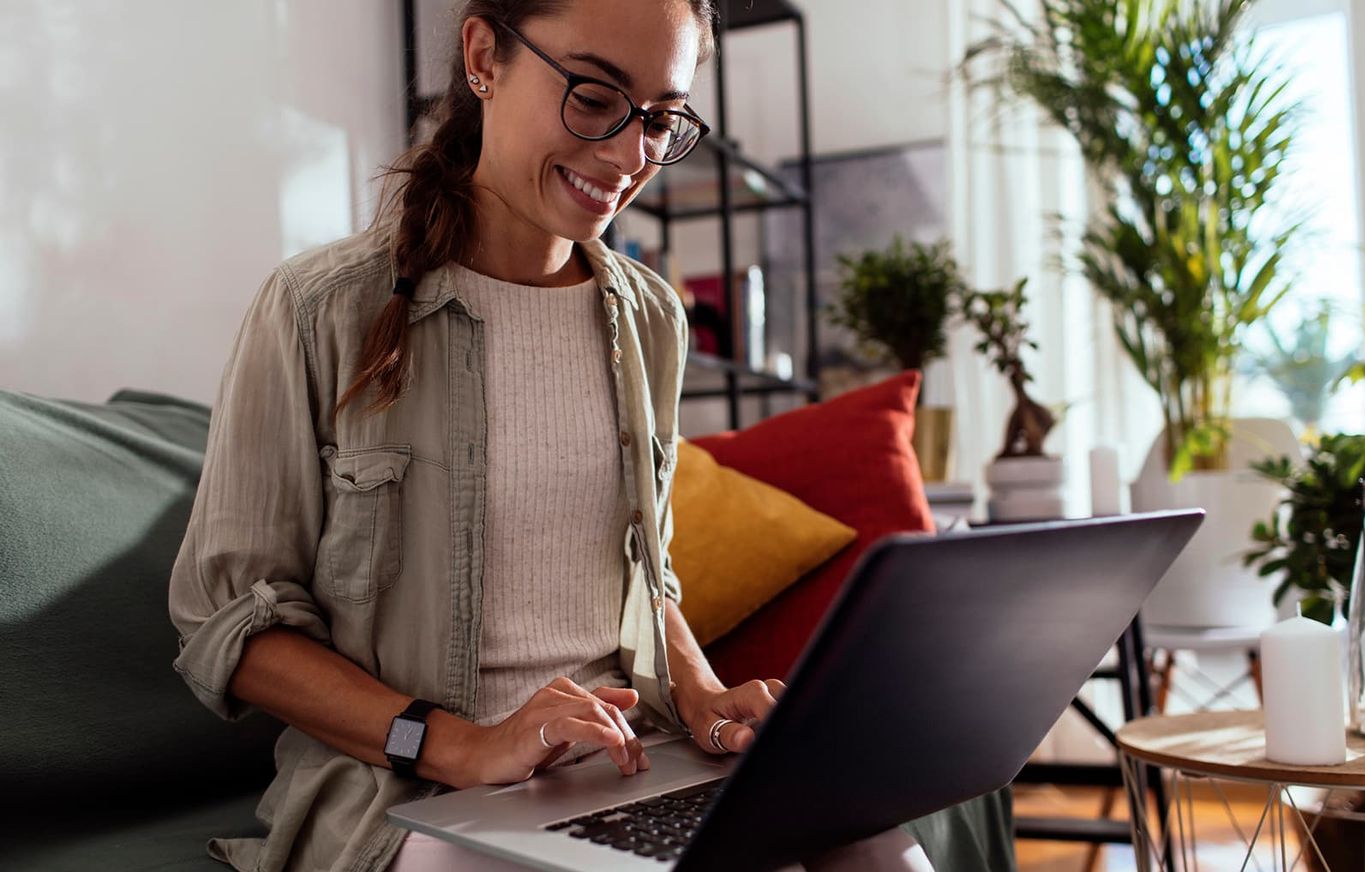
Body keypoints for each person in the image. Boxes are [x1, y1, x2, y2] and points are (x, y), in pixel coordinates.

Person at [168, 1, 979, 870]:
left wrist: (703, 698)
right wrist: (459, 747)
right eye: (594, 97)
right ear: (484, 55)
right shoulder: (316, 311)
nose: (631, 156)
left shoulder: (654, 321)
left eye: (662, 119)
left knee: (878, 848)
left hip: (627, 758)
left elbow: (645, 574)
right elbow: (231, 628)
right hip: (407, 794)